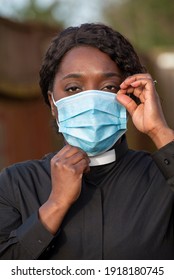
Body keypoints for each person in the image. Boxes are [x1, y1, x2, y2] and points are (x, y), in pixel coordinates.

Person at [0, 23, 174, 260]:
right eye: (73, 88)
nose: (91, 101)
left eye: (109, 87)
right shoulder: (15, 183)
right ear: (53, 103)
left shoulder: (162, 177)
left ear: (129, 95)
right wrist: (56, 204)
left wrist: (159, 130)